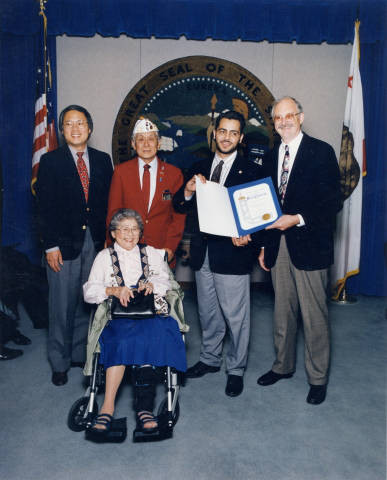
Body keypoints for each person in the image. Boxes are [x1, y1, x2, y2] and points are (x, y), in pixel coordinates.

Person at [173, 110, 265, 397]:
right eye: (222, 131)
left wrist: (247, 233)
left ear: (240, 138)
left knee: (236, 316)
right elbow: (179, 205)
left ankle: (236, 368)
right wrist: (188, 190)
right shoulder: (198, 166)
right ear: (215, 132)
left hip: (233, 254)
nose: (226, 137)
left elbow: (261, 215)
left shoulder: (252, 170)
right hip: (203, 253)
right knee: (207, 312)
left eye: (233, 133)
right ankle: (210, 359)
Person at [256, 96, 341, 405]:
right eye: (278, 117)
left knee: (314, 315)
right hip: (277, 246)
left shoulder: (321, 152)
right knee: (282, 312)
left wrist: (297, 219)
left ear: (301, 117)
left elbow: (332, 202)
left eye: (289, 115)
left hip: (310, 244)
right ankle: (282, 366)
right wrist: (265, 247)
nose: (283, 121)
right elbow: (266, 208)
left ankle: (318, 378)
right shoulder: (269, 156)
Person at [83, 209, 186, 434]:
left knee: (152, 337)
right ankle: (107, 407)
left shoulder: (151, 253)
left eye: (135, 229)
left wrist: (153, 285)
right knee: (120, 341)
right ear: (114, 233)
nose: (130, 234)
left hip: (150, 315)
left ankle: (144, 408)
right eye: (124, 229)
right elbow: (89, 291)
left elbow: (166, 281)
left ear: (141, 233)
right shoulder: (103, 257)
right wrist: (112, 289)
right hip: (118, 317)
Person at [36, 105, 113, 386]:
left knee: (88, 302)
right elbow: (43, 208)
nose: (76, 128)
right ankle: (59, 361)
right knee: (61, 306)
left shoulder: (104, 161)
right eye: (69, 124)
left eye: (80, 123)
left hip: (94, 243)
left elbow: (107, 204)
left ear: (89, 128)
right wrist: (50, 245)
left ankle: (82, 355)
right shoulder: (50, 162)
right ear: (62, 130)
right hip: (62, 246)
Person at [106, 117, 185, 266]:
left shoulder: (174, 174)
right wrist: (112, 245)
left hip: (161, 252)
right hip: (127, 250)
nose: (146, 144)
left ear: (159, 143)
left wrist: (170, 247)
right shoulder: (121, 172)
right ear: (133, 144)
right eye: (141, 139)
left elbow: (178, 217)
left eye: (151, 139)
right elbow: (113, 213)